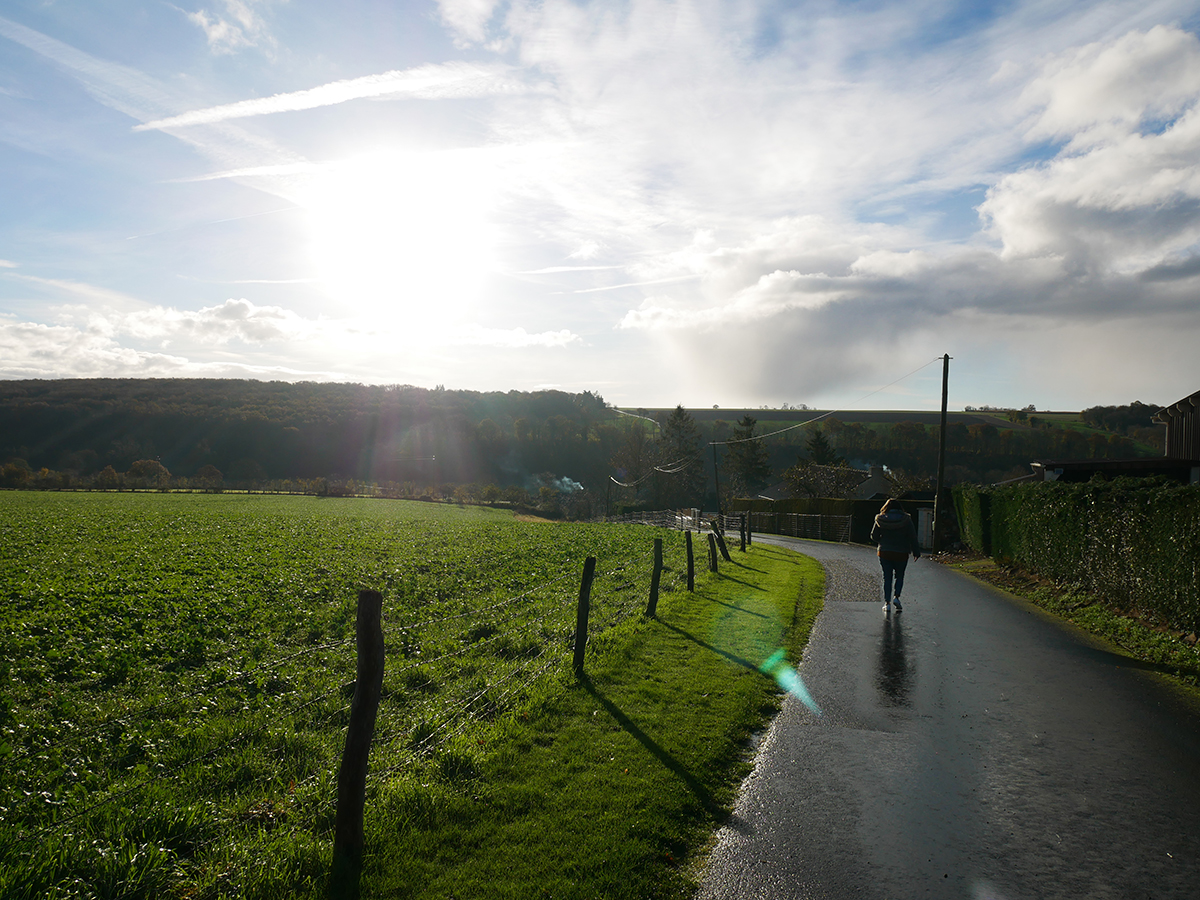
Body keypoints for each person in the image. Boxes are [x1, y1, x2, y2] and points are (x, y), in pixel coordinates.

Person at [870, 498, 921, 613]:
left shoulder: (880, 519)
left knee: (887, 577)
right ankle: (896, 597)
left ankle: (887, 603)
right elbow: (912, 536)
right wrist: (916, 551)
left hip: (885, 552)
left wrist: (882, 541)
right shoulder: (906, 519)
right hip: (901, 552)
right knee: (900, 576)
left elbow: (874, 536)